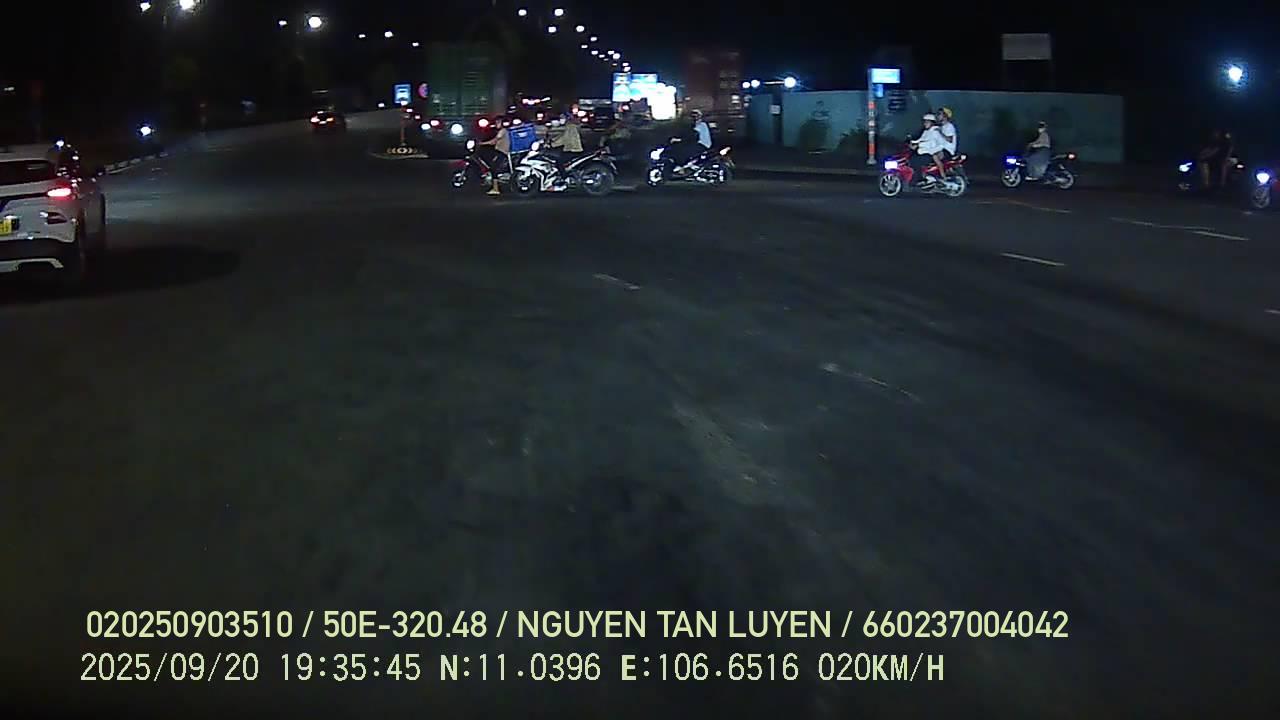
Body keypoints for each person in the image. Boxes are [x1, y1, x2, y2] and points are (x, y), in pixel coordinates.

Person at [909, 114, 948, 185]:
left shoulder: (935, 131)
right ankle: (924, 177)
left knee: (915, 162)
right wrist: (912, 142)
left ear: (932, 123)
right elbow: (920, 140)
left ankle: (922, 178)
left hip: (932, 153)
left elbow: (931, 143)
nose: (925, 124)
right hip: (924, 152)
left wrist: (918, 144)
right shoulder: (926, 132)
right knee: (911, 159)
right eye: (924, 122)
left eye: (927, 122)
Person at [477, 122, 511, 196]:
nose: (496, 124)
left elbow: (493, 141)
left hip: (502, 152)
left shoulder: (503, 131)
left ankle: (496, 189)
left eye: (498, 122)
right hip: (499, 152)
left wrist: (482, 143)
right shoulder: (503, 131)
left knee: (493, 168)